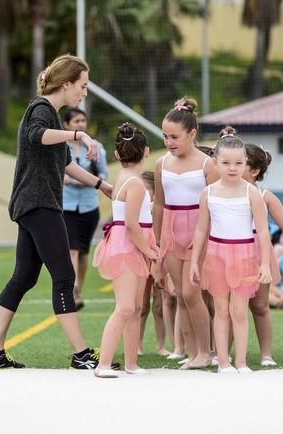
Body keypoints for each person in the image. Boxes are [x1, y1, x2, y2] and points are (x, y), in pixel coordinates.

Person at [0, 54, 114, 370]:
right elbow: (35, 136)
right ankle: (81, 354)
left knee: (24, 276)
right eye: (82, 86)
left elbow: (65, 164)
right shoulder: (41, 110)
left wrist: (101, 185)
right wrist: (78, 134)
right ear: (66, 84)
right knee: (64, 276)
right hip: (39, 203)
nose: (83, 93)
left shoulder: (53, 116)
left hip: (34, 203)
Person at [189, 130, 272, 373]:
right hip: (216, 256)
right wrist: (194, 262)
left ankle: (242, 362)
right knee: (221, 311)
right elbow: (201, 231)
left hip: (245, 257)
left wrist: (265, 264)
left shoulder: (252, 193)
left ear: (246, 163)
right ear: (215, 163)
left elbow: (264, 233)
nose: (232, 168)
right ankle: (223, 363)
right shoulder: (209, 193)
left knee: (238, 311)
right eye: (226, 163)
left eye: (238, 163)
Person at [153, 97, 219, 369]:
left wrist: (206, 237)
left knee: (193, 294)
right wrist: (157, 243)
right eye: (165, 136)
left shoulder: (207, 165)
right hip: (171, 231)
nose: (169, 141)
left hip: (198, 233)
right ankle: (193, 354)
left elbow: (217, 204)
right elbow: (158, 203)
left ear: (192, 134)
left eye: (175, 136)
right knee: (180, 294)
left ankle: (205, 351)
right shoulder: (161, 164)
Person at [92, 123, 157, 378]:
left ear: (117, 155)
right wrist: (149, 251)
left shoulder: (121, 177)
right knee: (126, 307)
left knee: (136, 308)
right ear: (147, 152)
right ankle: (104, 363)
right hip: (129, 244)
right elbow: (131, 224)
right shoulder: (137, 184)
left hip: (131, 243)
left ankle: (131, 363)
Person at [242, 140, 283, 367]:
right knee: (233, 307)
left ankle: (266, 354)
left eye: (240, 163)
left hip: (258, 253)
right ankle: (224, 354)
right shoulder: (222, 191)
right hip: (231, 252)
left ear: (254, 171)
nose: (232, 167)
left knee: (260, 306)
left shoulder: (265, 195)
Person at [62, 108, 108, 310]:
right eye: (76, 121)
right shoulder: (60, 147)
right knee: (72, 250)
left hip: (89, 206)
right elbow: (55, 174)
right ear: (66, 125)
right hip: (67, 206)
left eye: (83, 120)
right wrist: (73, 179)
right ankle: (73, 290)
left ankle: (78, 288)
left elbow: (104, 175)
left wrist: (90, 181)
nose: (80, 124)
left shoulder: (96, 147)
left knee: (82, 252)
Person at [138, 170, 170, 356]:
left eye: (146, 190)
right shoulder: (136, 207)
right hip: (142, 256)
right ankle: (137, 344)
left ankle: (161, 346)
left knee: (159, 305)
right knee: (141, 305)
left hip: (158, 257)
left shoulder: (158, 209)